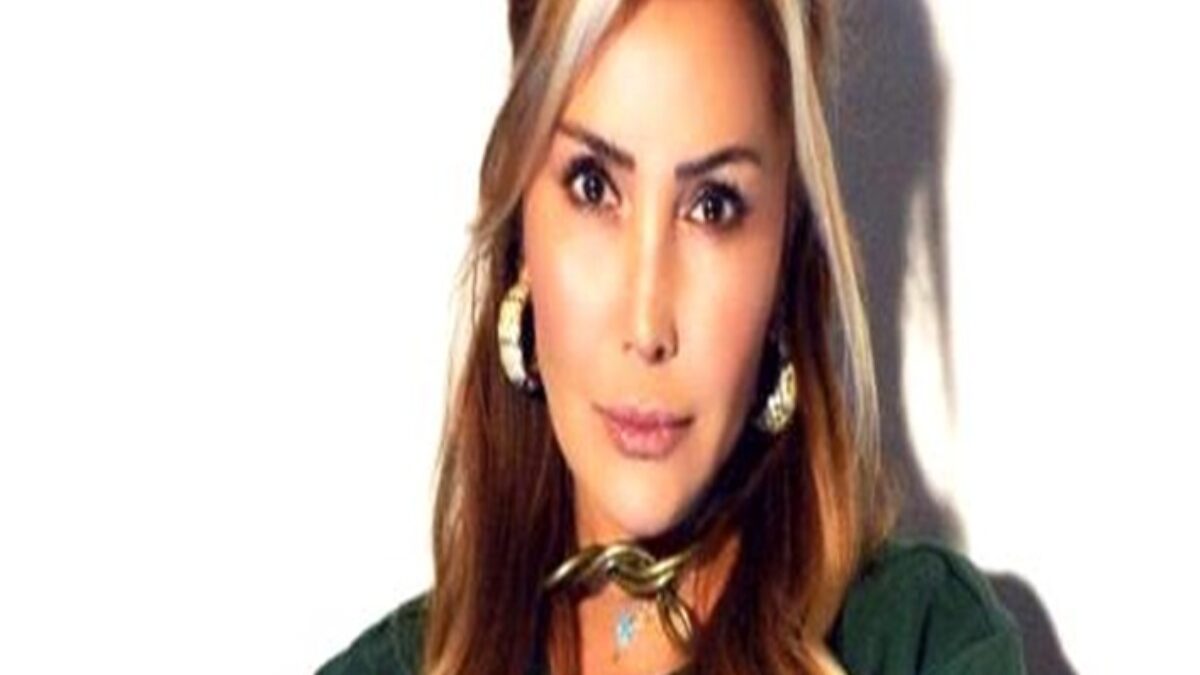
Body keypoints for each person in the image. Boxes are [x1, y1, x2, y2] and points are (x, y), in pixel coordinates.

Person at [318, 0, 1025, 673]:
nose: (647, 326)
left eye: (713, 206)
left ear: (787, 243)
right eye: (593, 186)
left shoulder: (920, 645)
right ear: (520, 212)